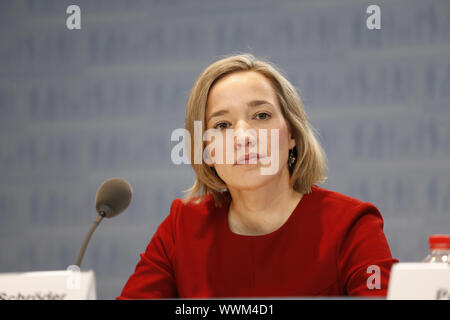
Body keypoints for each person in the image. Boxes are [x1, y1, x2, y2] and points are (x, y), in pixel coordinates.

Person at [117, 54, 398, 299]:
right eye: (223, 124)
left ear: (292, 134)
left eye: (261, 116)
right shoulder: (182, 229)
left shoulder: (350, 225)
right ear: (207, 150)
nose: (244, 136)